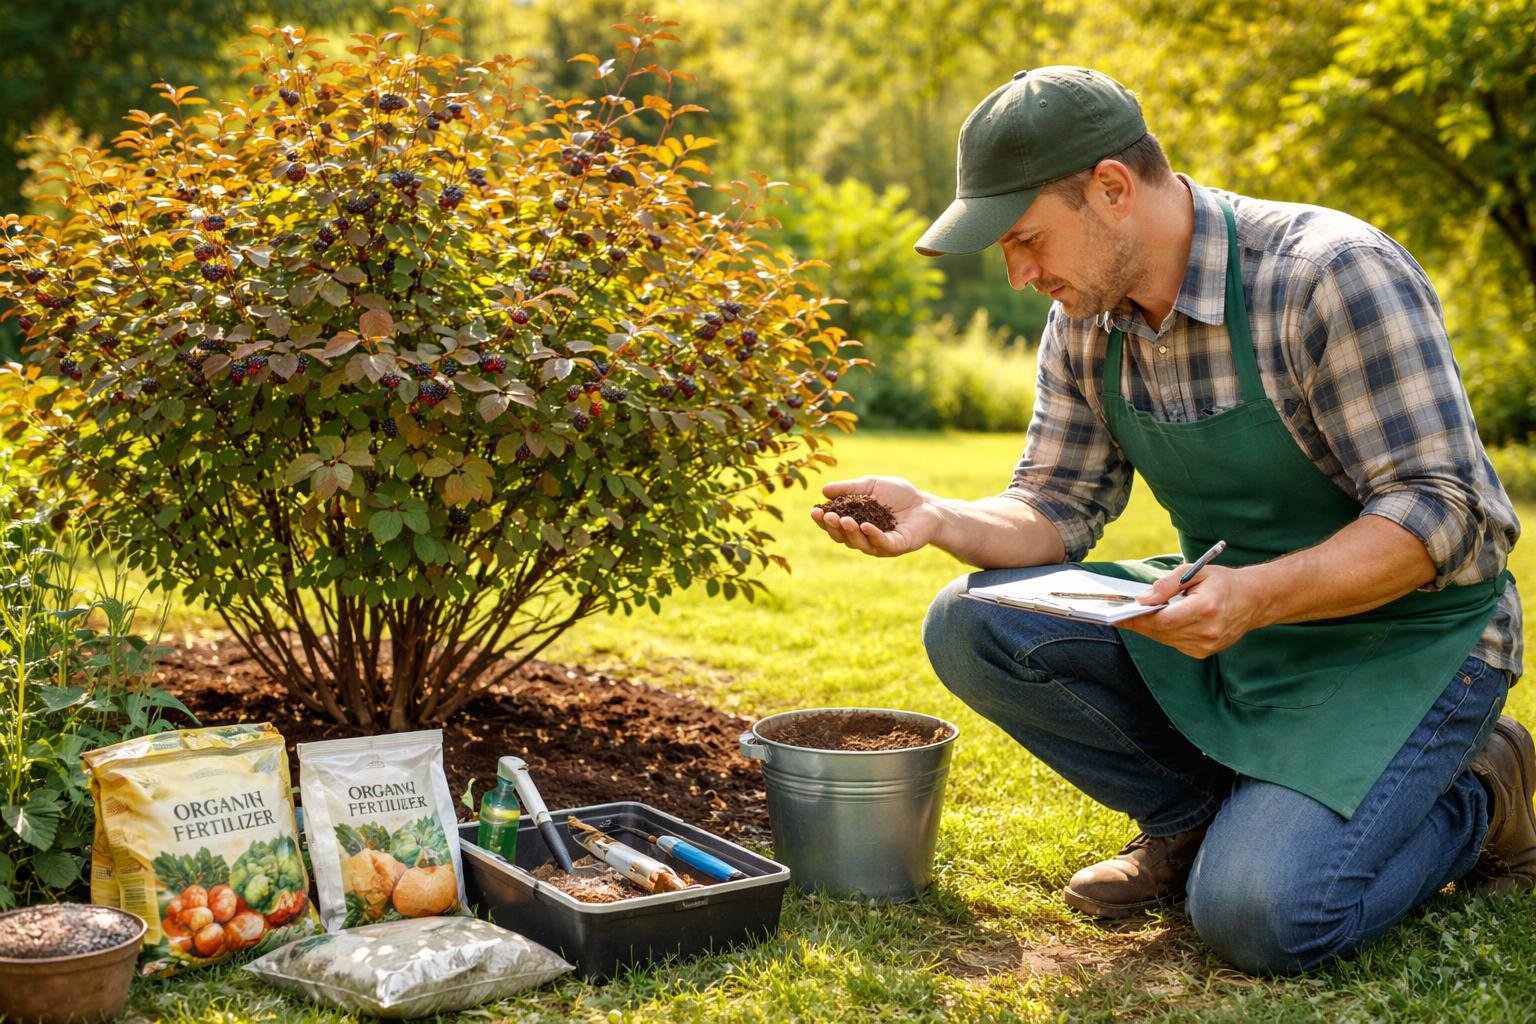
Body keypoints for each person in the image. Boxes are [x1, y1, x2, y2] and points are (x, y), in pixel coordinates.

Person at [811, 66, 1535, 975]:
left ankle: (1481, 796)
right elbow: (1055, 506)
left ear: (1112, 189)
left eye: (1027, 238)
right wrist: (937, 515)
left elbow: (1448, 511)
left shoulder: (1327, 274)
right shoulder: (1087, 316)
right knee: (973, 620)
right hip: (1234, 626)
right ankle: (1194, 822)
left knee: (1260, 920)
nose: (1020, 273)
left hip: (1412, 643)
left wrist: (1259, 597)